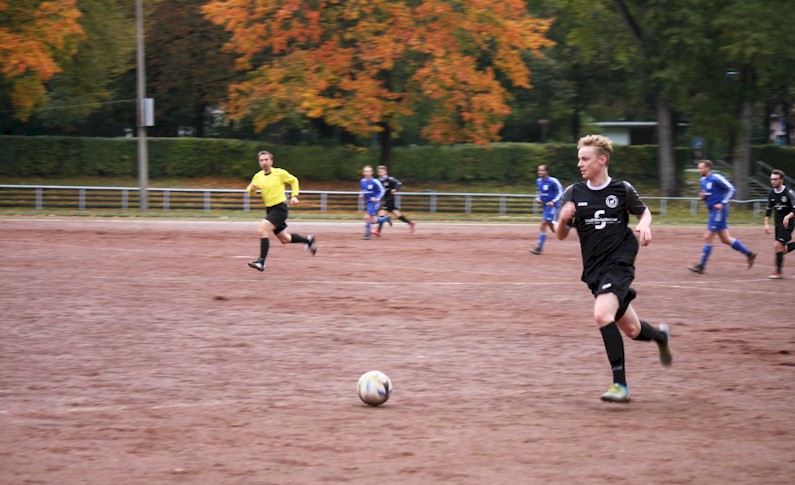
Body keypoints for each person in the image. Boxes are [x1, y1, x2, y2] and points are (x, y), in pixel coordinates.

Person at [556, 134, 672, 404]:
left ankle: (620, 385)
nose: (580, 164)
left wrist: (644, 224)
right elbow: (560, 235)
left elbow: (644, 212)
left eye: (585, 159)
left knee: (601, 314)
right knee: (631, 330)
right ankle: (660, 336)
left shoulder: (622, 190)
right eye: (579, 159)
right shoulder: (573, 192)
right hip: (594, 271)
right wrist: (562, 220)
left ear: (602, 160)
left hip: (619, 263)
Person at [246, 150, 316, 271]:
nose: (264, 162)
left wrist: (294, 196)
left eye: (266, 160)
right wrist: (251, 189)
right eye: (261, 160)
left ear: (271, 161)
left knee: (262, 229)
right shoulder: (258, 176)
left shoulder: (279, 173)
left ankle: (261, 262)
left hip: (280, 208)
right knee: (285, 239)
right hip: (270, 210)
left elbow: (294, 180)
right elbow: (250, 190)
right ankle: (308, 241)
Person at [688, 160, 756, 274]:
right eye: (698, 168)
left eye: (700, 168)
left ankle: (701, 266)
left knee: (708, 237)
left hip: (718, 211)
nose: (698, 170)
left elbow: (731, 189)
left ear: (708, 168)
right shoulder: (703, 180)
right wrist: (703, 197)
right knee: (725, 239)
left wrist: (722, 203)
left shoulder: (716, 178)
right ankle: (749, 254)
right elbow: (708, 195)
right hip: (712, 211)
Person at [764, 169, 795, 279]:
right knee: (782, 250)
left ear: (781, 180)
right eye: (771, 179)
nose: (773, 181)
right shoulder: (771, 194)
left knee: (777, 245)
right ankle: (778, 271)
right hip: (777, 224)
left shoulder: (788, 193)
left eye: (775, 179)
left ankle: (778, 272)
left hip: (788, 223)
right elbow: (768, 210)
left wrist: (788, 216)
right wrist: (766, 224)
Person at [530, 164, 563, 255]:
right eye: (538, 170)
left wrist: (553, 201)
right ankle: (561, 229)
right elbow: (539, 192)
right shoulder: (538, 181)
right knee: (550, 225)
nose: (540, 172)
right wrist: (538, 198)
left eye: (542, 170)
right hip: (545, 206)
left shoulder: (553, 181)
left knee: (544, 224)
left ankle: (539, 248)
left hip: (552, 206)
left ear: (546, 171)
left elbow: (561, 192)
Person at [374, 165, 416, 236]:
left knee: (382, 213)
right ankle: (410, 223)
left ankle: (378, 231)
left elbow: (399, 183)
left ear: (386, 172)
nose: (381, 173)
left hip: (390, 199)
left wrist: (395, 189)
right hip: (385, 199)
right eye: (379, 172)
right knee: (397, 215)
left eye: (382, 171)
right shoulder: (378, 181)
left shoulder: (390, 179)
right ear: (378, 173)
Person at [359, 165, 385, 239]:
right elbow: (363, 190)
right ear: (363, 172)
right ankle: (385, 218)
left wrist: (376, 198)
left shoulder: (375, 181)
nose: (367, 173)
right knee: (373, 220)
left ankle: (367, 234)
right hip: (367, 202)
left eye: (369, 171)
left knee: (367, 217)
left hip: (374, 202)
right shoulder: (362, 181)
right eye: (365, 171)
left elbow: (382, 190)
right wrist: (361, 194)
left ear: (371, 172)